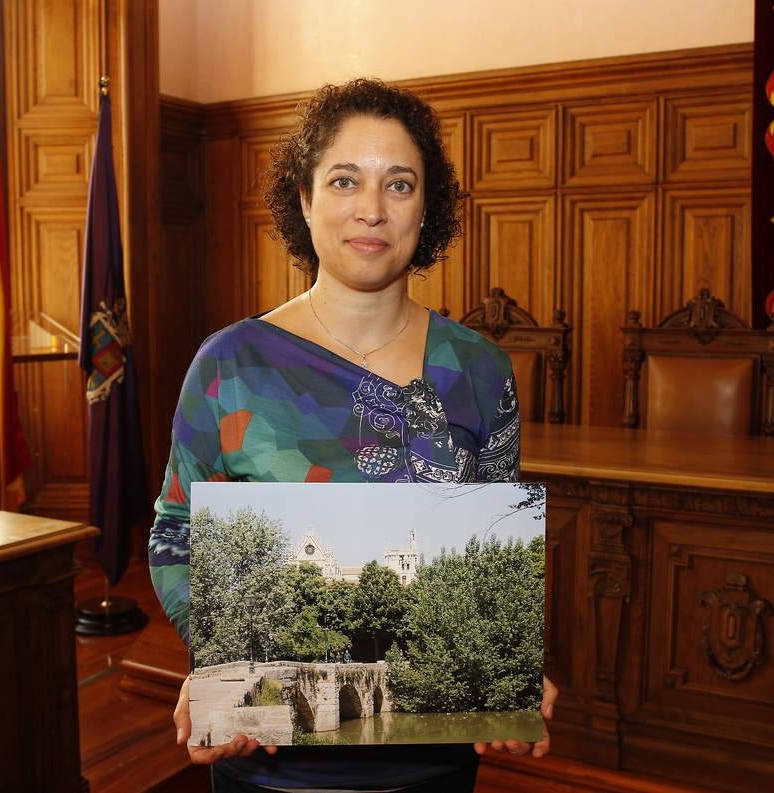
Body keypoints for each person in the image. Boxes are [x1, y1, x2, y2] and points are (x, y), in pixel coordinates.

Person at [149, 77, 557, 793]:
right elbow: (175, 535)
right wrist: (215, 656)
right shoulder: (230, 366)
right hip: (268, 762)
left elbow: (492, 548)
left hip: (429, 764)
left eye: (399, 184)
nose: (371, 208)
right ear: (303, 200)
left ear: (426, 209)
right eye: (344, 180)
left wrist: (509, 667)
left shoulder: (479, 371)